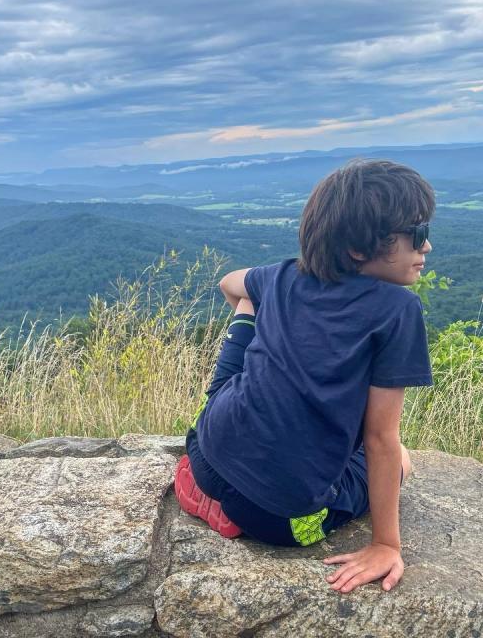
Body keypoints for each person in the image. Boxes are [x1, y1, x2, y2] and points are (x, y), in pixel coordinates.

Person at [174, 158, 435, 594]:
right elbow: (380, 440)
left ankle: (211, 493)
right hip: (277, 520)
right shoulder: (397, 311)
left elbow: (228, 284)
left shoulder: (282, 276)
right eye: (418, 235)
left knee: (248, 301)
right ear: (358, 248)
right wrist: (387, 544)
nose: (426, 247)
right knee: (403, 457)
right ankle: (239, 508)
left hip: (204, 453)